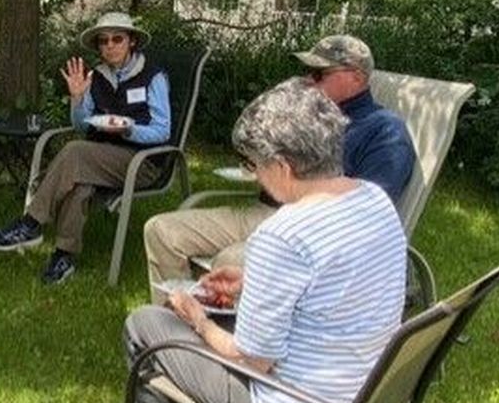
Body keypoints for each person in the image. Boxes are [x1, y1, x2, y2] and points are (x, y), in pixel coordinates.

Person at [121, 79, 407, 403]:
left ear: (284, 166)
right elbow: (336, 281)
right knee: (215, 331)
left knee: (146, 328)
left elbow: (251, 361)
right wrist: (251, 281)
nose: (256, 174)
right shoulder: (373, 200)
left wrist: (198, 320)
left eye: (256, 165)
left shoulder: (285, 232)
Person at [142, 34, 415, 299]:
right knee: (162, 231)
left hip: (311, 230)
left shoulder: (384, 130)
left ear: (356, 77)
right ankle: (175, 323)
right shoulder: (303, 115)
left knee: (230, 261)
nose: (308, 80)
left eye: (319, 73)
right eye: (307, 71)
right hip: (264, 210)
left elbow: (369, 206)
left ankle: (223, 333)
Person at [0, 11, 171, 284]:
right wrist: (78, 98)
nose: (110, 46)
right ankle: (64, 256)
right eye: (103, 41)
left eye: (117, 39)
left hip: (142, 161)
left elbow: (162, 130)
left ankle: (31, 223)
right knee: (79, 182)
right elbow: (84, 126)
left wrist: (128, 129)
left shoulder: (152, 77)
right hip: (100, 158)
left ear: (131, 41)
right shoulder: (96, 76)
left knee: (74, 151)